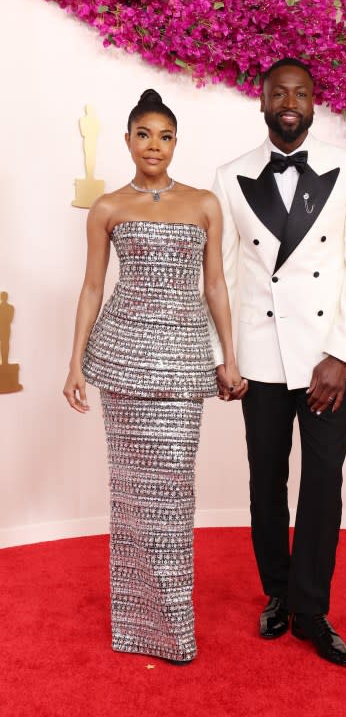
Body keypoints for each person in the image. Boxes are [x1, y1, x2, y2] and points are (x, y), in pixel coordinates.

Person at [63, 89, 246, 665]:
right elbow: (93, 286)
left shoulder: (204, 205)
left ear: (175, 143)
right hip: (122, 361)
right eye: (144, 134)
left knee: (173, 491)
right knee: (130, 495)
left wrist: (228, 357)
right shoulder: (109, 208)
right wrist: (75, 363)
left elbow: (214, 285)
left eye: (165, 136)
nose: (154, 146)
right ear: (127, 140)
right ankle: (135, 627)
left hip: (183, 362)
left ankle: (172, 627)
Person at [212, 58, 346, 666]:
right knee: (266, 480)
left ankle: (312, 610)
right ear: (261, 101)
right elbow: (223, 276)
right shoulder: (230, 176)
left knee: (323, 485)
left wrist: (340, 355)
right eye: (279, 92)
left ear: (314, 103)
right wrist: (223, 357)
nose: (290, 101)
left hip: (325, 362)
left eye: (301, 93)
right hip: (259, 357)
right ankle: (278, 593)